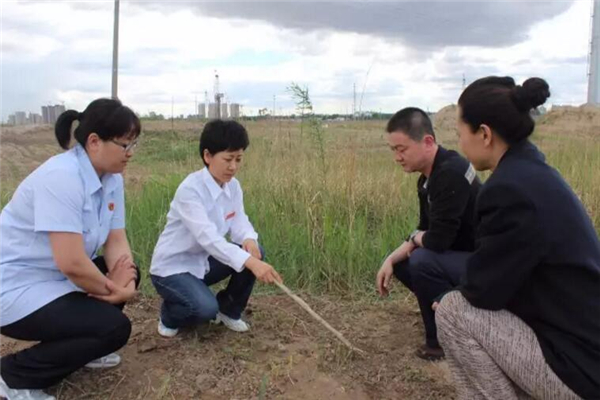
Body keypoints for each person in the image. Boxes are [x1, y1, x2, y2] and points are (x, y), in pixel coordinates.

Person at [435, 76, 600, 399]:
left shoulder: (508, 190)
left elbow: (482, 290)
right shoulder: (533, 171)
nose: (460, 144)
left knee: (453, 311)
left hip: (581, 370)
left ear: (484, 134)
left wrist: (453, 291)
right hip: (585, 348)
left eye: (460, 133)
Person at [0, 99, 141, 400]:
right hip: (16, 285)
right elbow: (72, 263)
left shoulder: (112, 179)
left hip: (55, 278)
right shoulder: (61, 177)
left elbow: (116, 240)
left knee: (128, 270)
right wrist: (116, 291)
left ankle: (85, 348)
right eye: (125, 145)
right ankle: (11, 376)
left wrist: (125, 283)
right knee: (114, 328)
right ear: (94, 142)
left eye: (134, 144)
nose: (130, 153)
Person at [150, 119, 282, 338]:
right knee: (205, 309)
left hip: (204, 262)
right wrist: (251, 263)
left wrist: (248, 239)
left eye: (238, 159)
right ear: (207, 156)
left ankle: (229, 309)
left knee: (254, 251)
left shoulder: (233, 186)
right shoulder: (190, 190)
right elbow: (209, 238)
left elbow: (239, 220)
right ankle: (170, 314)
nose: (233, 167)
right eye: (228, 159)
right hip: (173, 268)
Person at [375, 107, 480, 360]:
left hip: (484, 263)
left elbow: (437, 240)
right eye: (393, 150)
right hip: (462, 256)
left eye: (402, 149)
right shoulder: (428, 179)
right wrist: (390, 259)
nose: (397, 157)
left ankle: (442, 340)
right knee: (404, 263)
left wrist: (414, 240)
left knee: (422, 260)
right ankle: (449, 318)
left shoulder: (450, 173)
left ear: (428, 142)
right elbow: (425, 228)